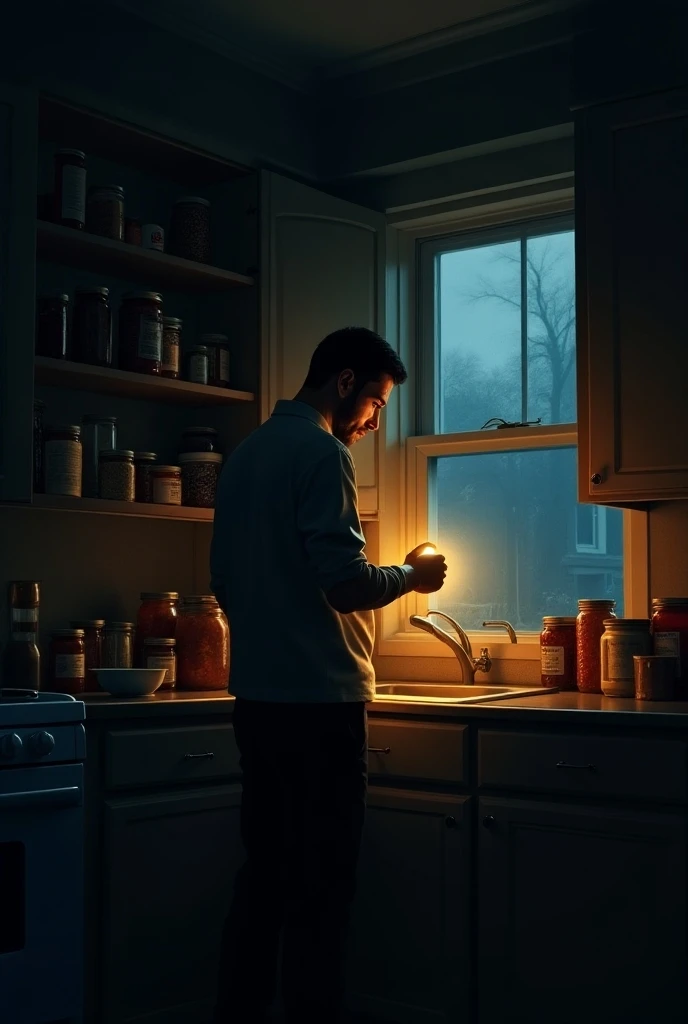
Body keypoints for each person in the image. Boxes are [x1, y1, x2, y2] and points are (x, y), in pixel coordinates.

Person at [210, 326, 447, 1024]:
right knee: (323, 890)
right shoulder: (320, 450)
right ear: (344, 383)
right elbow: (345, 584)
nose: (375, 420)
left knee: (265, 879)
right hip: (320, 705)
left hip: (257, 699)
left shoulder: (248, 454)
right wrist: (411, 575)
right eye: (375, 400)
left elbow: (224, 580)